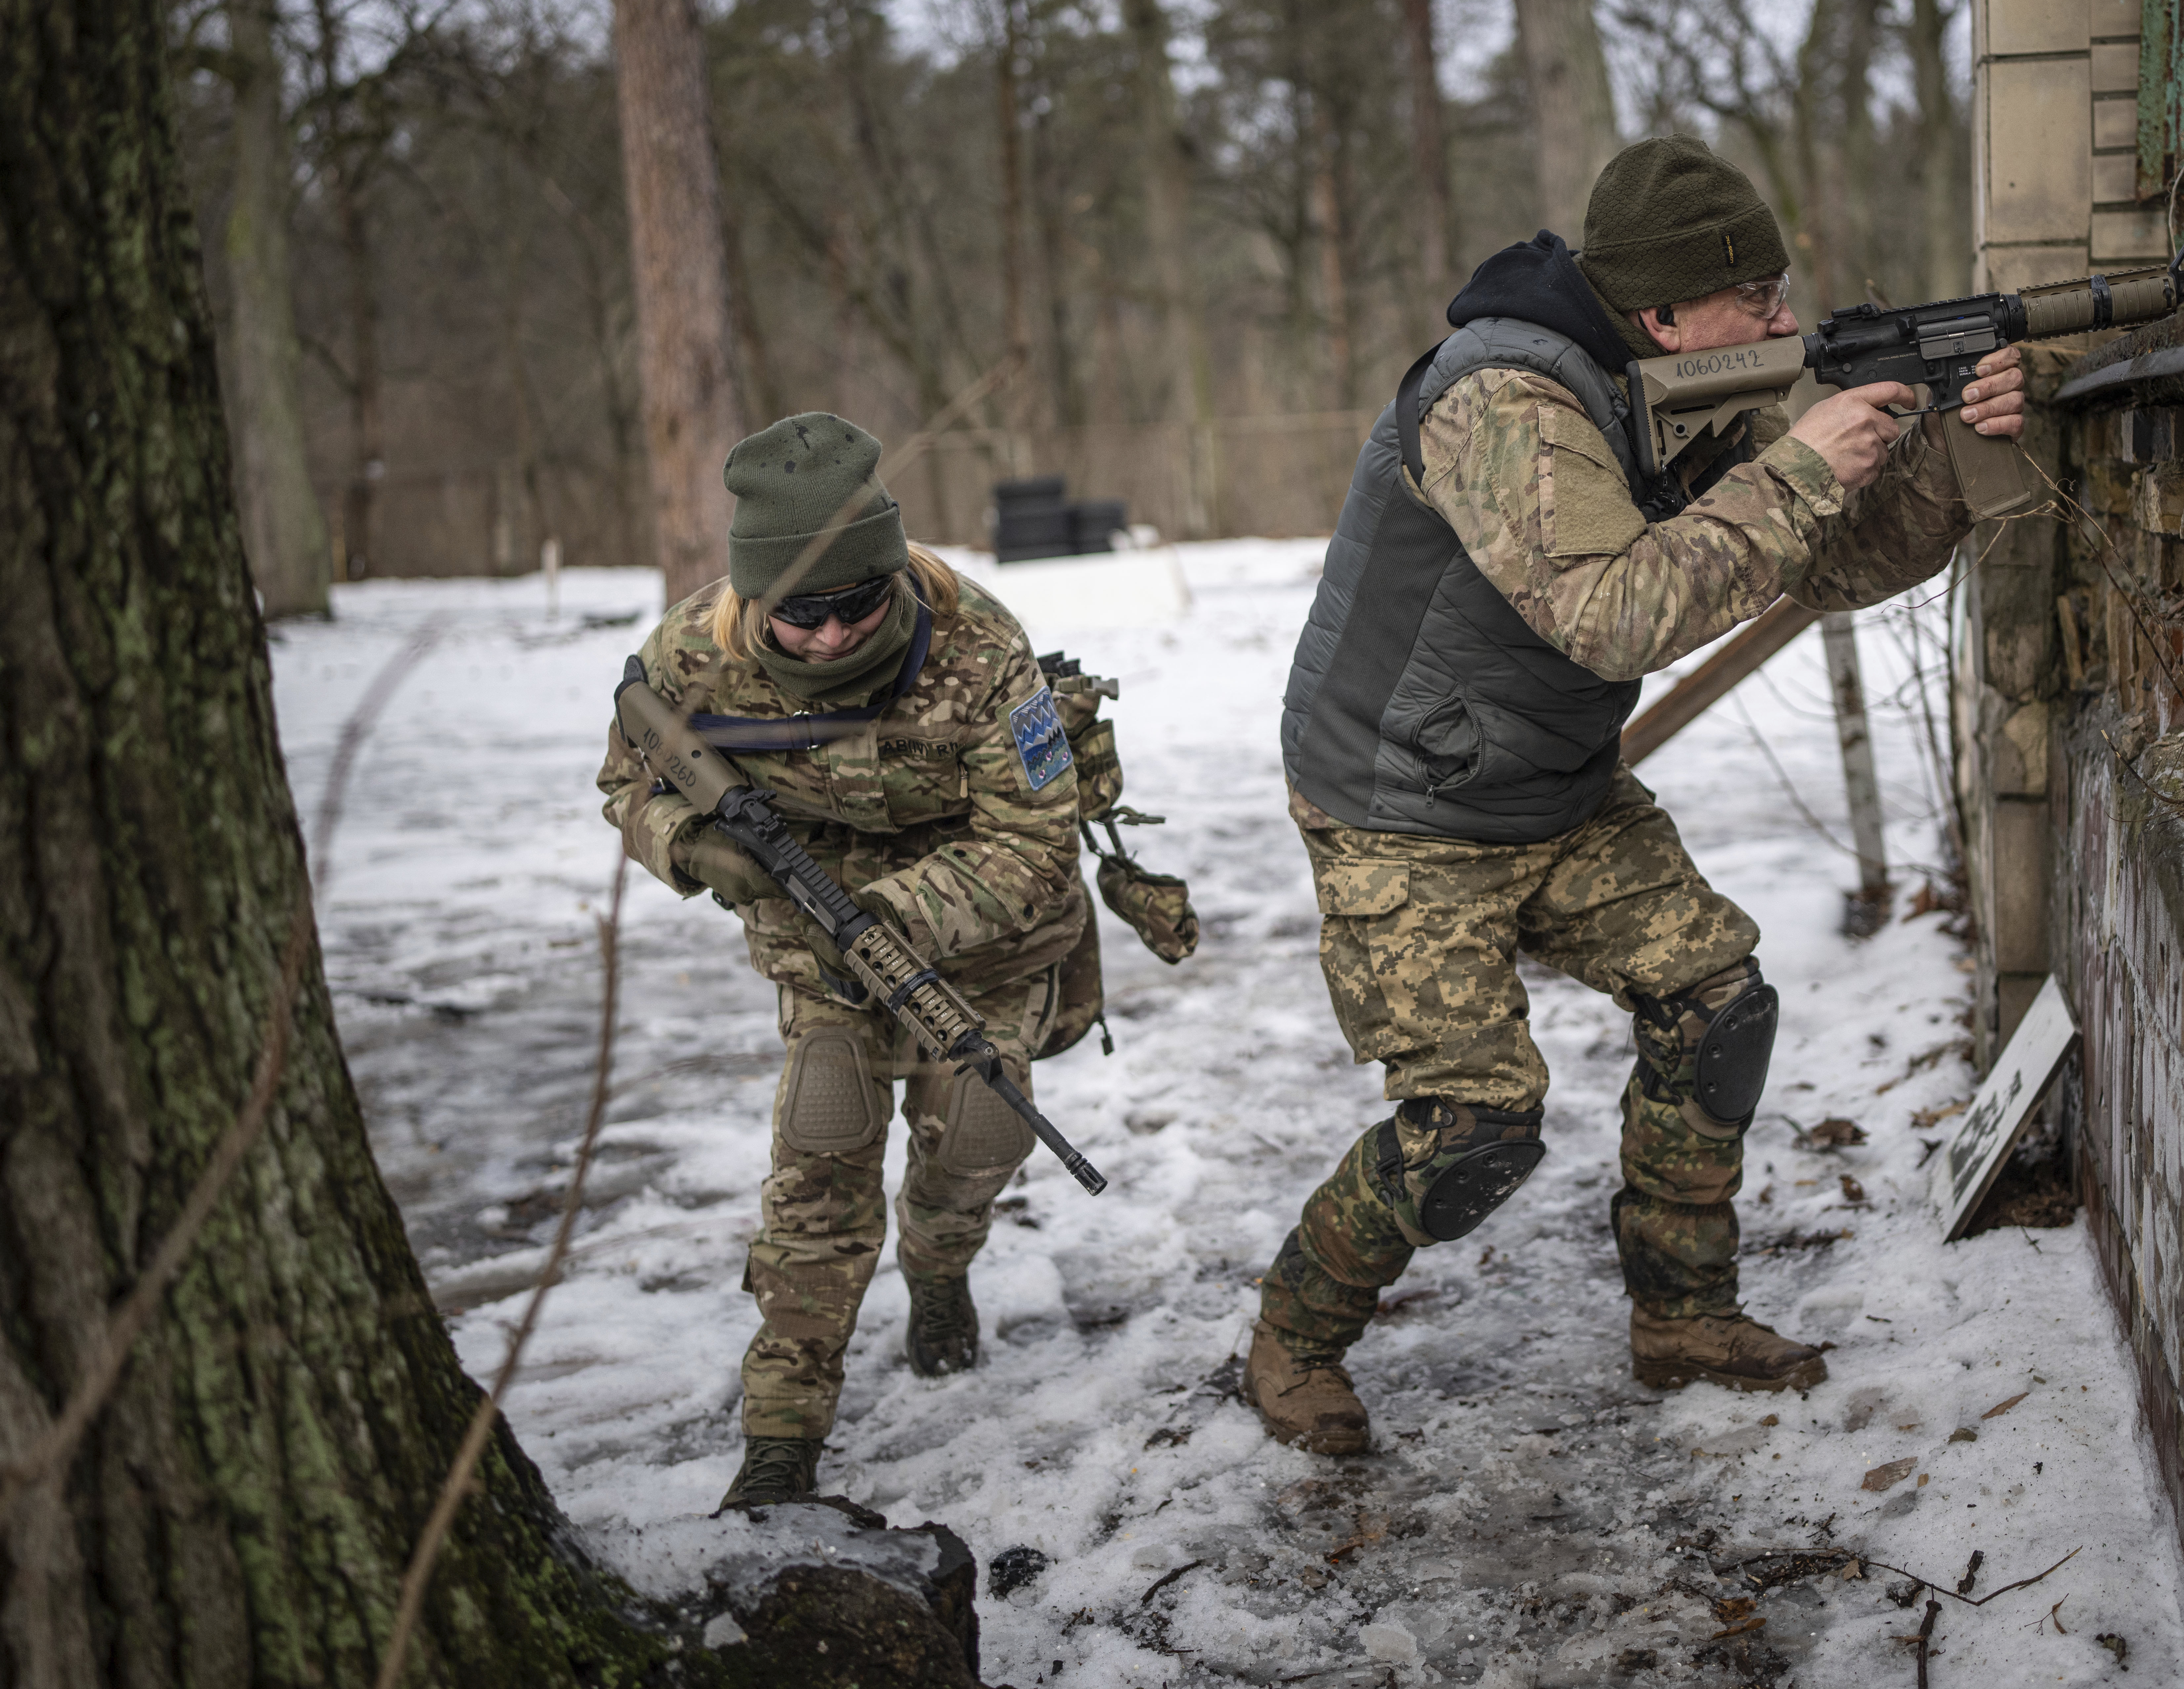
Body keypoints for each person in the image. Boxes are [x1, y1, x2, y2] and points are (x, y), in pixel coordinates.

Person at [1249, 136, 2027, 1453]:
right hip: (1407, 809)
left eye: (1784, 293)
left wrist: (1948, 452)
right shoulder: (1503, 400)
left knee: (1718, 1003)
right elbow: (1614, 618)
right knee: (1472, 1132)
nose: (1784, 320)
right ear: (1666, 314)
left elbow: (1818, 565)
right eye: (1758, 300)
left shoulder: (1680, 388)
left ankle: (1684, 1316)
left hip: (1552, 781)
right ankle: (1293, 1335)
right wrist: (1800, 468)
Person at [599, 412, 1093, 1512]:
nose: (829, 638)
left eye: (857, 606)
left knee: (979, 1130)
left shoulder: (982, 649)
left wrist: (891, 914)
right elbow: (625, 787)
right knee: (822, 1162)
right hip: (814, 948)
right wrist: (696, 849)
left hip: (987, 940)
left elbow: (1033, 840)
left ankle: (939, 1263)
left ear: (896, 577)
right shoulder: (691, 653)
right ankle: (782, 1433)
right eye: (800, 615)